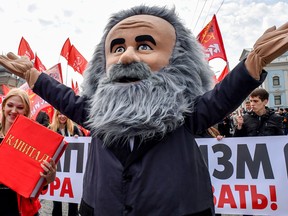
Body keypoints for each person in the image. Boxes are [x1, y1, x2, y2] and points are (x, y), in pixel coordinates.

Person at [0, 5, 287, 216]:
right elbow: (64, 98)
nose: (127, 56)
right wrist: (32, 75)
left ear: (178, 59)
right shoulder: (96, 113)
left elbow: (222, 98)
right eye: (117, 48)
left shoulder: (187, 113)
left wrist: (253, 63)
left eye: (145, 45)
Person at [0, 88, 56, 216]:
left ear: (26, 111)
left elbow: (38, 185)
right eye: (10, 105)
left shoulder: (34, 141)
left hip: (22, 208)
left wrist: (47, 179)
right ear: (3, 107)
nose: (13, 111)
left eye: (19, 107)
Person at [49, 109, 81, 216]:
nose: (62, 116)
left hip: (72, 171)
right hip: (57, 171)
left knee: (73, 203)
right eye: (59, 114)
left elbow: (83, 145)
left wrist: (78, 139)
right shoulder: (51, 129)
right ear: (56, 116)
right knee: (57, 202)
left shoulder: (74, 129)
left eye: (64, 114)